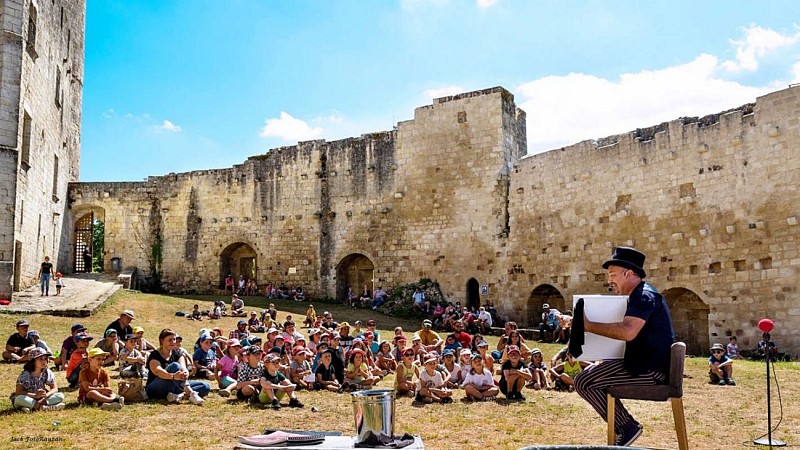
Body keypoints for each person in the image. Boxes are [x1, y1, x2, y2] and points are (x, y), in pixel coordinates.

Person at [574, 247, 675, 447]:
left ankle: (627, 427)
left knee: (584, 380)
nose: (610, 280)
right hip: (646, 365)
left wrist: (587, 325)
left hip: (650, 370)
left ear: (629, 274)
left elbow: (628, 331)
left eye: (613, 274)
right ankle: (624, 428)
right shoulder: (640, 295)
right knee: (590, 375)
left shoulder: (643, 296)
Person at [145, 328, 209, 405]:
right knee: (175, 366)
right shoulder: (154, 355)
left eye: (174, 339)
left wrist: (185, 373)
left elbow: (183, 368)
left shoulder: (177, 353)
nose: (173, 342)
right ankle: (191, 394)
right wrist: (173, 376)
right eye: (170, 340)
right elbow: (158, 371)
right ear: (162, 341)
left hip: (175, 386)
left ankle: (179, 396)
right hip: (156, 387)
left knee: (205, 386)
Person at [13, 348, 65, 412]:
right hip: (28, 398)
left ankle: (32, 407)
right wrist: (35, 395)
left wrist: (46, 395)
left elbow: (54, 388)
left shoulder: (47, 372)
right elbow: (18, 392)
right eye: (40, 359)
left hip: (41, 399)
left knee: (60, 396)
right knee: (19, 399)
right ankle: (45, 407)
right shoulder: (25, 374)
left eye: (45, 359)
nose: (44, 361)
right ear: (33, 361)